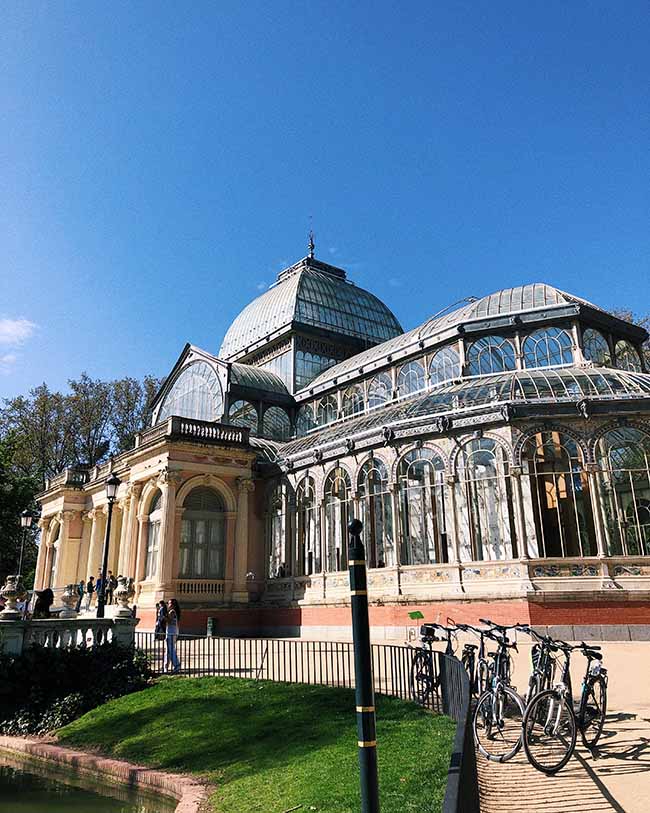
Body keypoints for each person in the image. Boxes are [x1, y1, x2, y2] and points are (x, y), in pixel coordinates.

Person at [165, 598, 181, 674]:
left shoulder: (172, 612)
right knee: (168, 650)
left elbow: (169, 621)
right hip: (172, 632)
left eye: (169, 603)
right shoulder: (173, 612)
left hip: (171, 633)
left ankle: (177, 664)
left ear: (173, 605)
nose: (168, 605)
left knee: (171, 650)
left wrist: (164, 617)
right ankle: (165, 666)